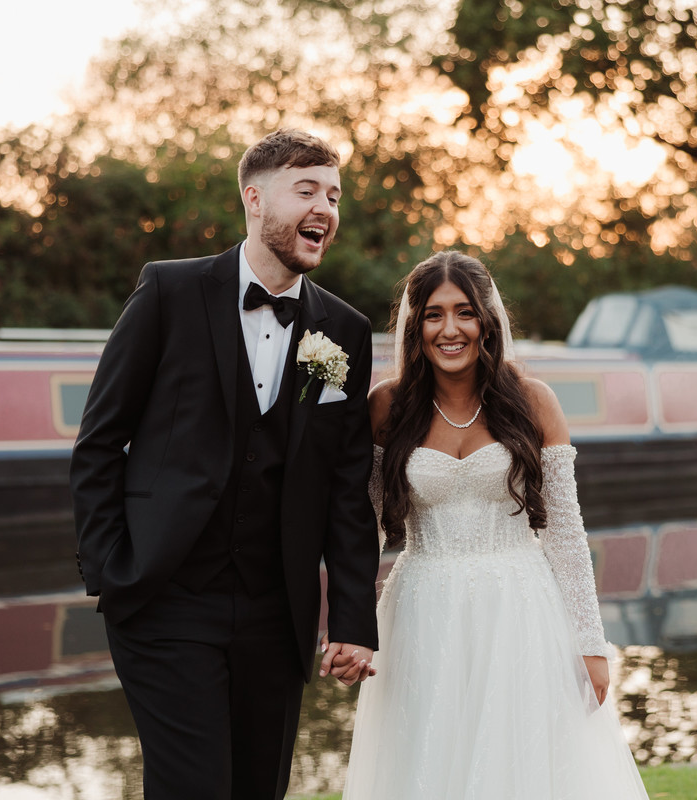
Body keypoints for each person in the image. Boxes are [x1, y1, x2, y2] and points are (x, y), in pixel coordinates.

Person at [69, 128, 380, 800]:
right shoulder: (169, 292)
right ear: (254, 198)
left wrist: (353, 619)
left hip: (278, 612)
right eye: (307, 190)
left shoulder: (343, 332)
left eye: (334, 194)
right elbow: (99, 442)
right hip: (165, 599)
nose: (325, 207)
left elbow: (345, 489)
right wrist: (110, 571)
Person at [341, 251, 648, 798]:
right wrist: (352, 625)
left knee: (522, 766)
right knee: (428, 764)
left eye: (464, 312)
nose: (450, 329)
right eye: (433, 315)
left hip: (521, 609)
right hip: (421, 610)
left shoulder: (533, 403)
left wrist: (590, 642)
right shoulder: (387, 406)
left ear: (487, 319)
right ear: (415, 326)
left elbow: (565, 533)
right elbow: (360, 528)